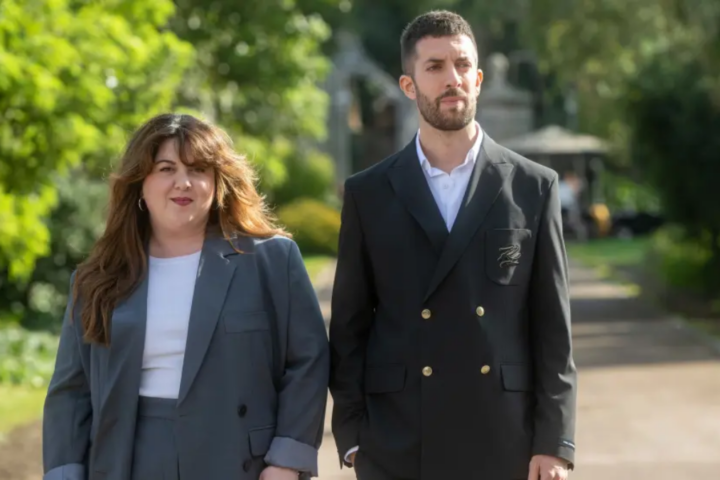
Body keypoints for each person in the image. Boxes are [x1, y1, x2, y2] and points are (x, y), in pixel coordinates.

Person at [328, 10, 576, 480]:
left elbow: (553, 331)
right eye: (435, 67)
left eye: (462, 65)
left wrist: (554, 443)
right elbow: (349, 328)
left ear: (479, 79)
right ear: (408, 85)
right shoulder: (369, 193)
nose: (452, 79)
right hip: (399, 439)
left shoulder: (533, 187)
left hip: (507, 436)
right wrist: (354, 437)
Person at [42, 114, 329, 480]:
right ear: (139, 182)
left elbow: (308, 360)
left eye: (198, 170)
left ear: (217, 181)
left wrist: (287, 461)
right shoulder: (97, 278)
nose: (184, 183)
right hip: (126, 460)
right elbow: (71, 391)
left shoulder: (270, 259)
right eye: (166, 168)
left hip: (238, 459)